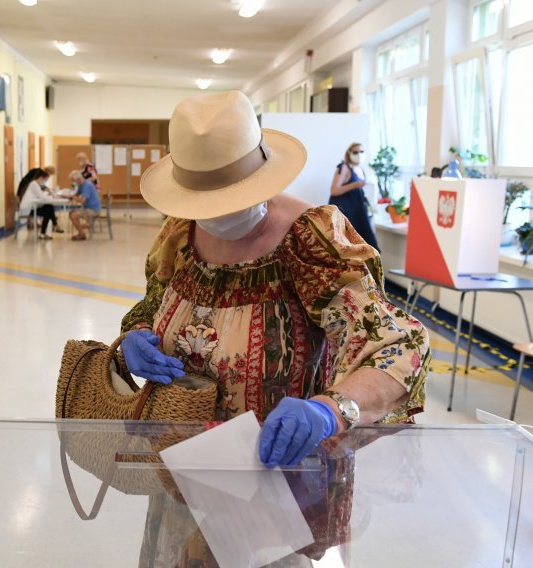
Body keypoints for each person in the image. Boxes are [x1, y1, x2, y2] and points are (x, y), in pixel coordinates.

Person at [120, 91, 429, 565]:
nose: (218, 212)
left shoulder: (310, 240)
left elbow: (399, 344)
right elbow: (151, 307)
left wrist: (330, 409)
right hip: (184, 478)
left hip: (270, 491)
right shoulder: (179, 234)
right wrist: (134, 339)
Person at [329, 143, 380, 251]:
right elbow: (334, 190)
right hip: (346, 213)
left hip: (359, 211)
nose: (359, 154)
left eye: (361, 152)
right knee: (349, 247)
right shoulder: (344, 167)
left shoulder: (361, 169)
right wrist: (354, 185)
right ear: (349, 153)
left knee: (366, 245)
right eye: (355, 152)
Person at [17, 167, 63, 239]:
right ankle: (51, 227)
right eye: (44, 180)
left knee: (48, 207)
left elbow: (42, 195)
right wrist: (53, 196)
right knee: (49, 209)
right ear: (40, 178)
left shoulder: (36, 184)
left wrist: (51, 196)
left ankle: (50, 229)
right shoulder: (34, 184)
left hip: (32, 207)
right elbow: (42, 196)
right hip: (28, 209)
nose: (44, 182)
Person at [68, 169, 102, 241]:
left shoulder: (87, 185)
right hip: (88, 208)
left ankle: (82, 234)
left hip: (93, 209)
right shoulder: (82, 185)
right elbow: (75, 195)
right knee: (71, 213)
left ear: (77, 179)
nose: (73, 183)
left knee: (74, 215)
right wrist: (63, 196)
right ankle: (81, 233)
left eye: (73, 181)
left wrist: (74, 197)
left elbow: (82, 200)